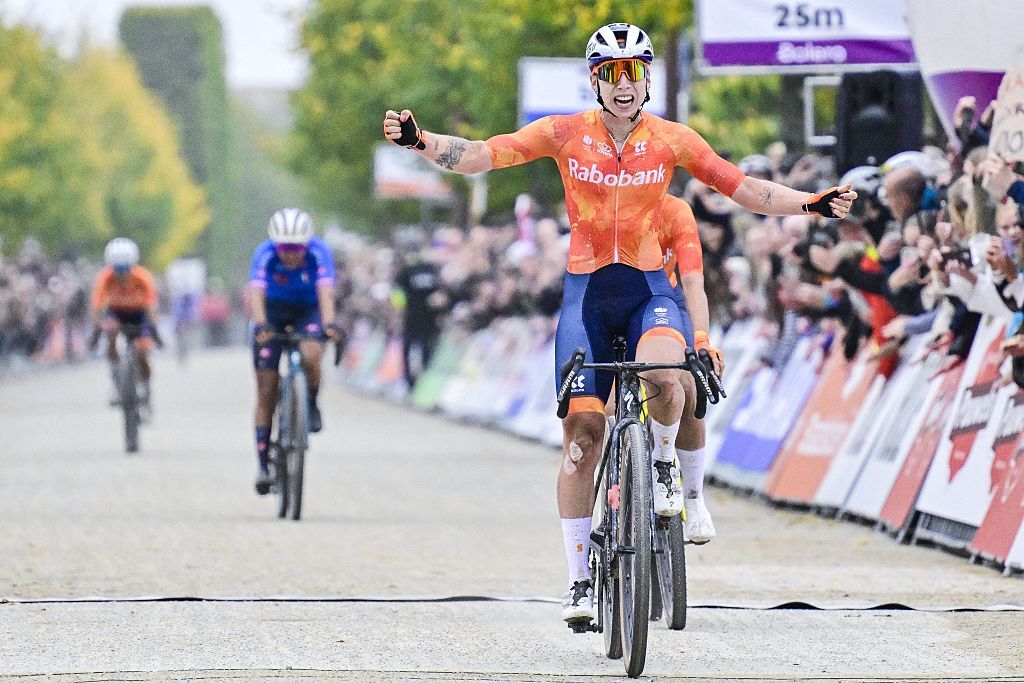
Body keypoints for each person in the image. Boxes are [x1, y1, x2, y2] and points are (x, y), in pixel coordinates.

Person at [383, 21, 856, 626]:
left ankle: (662, 464)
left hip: (646, 289)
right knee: (583, 438)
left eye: (635, 72)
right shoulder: (562, 133)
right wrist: (422, 142)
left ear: (648, 78)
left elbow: (743, 189)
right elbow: (482, 155)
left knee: (665, 373)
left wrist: (809, 203)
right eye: (613, 73)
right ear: (595, 81)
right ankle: (580, 581)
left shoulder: (673, 139)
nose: (625, 84)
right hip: (586, 295)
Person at [249, 208, 341, 495]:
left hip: (307, 310)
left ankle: (310, 403)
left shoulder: (319, 252)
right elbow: (256, 292)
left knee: (313, 353)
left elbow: (326, 291)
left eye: (296, 248)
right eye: (284, 248)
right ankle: (264, 464)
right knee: (266, 388)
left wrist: (328, 325)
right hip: (273, 312)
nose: (290, 254)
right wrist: (261, 323)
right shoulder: (264, 253)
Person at [659, 194, 720, 543]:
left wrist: (702, 341)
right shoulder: (604, 201)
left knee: (688, 381)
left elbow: (693, 282)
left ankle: (695, 498)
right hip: (616, 304)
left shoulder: (676, 211)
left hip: (666, 303)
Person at [88, 238, 161, 407]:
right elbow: (96, 307)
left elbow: (151, 307)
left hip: (139, 314)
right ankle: (116, 380)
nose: (121, 274)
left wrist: (153, 330)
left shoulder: (143, 277)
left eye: (125, 269)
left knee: (142, 350)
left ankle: (146, 384)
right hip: (116, 312)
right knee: (110, 331)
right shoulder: (105, 277)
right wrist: (96, 332)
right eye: (117, 269)